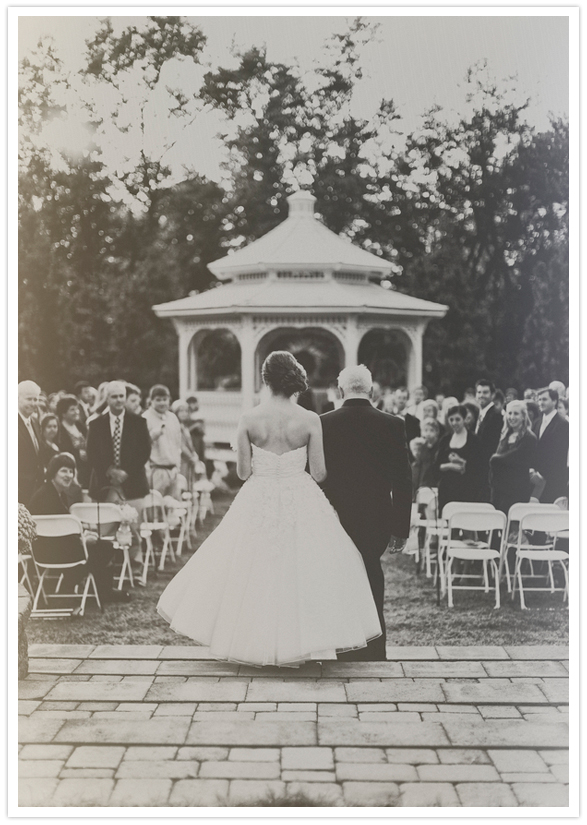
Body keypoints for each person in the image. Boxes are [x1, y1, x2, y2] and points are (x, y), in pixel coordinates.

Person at [157, 352, 381, 667]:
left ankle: (254, 643)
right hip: (299, 496)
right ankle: (304, 643)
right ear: (293, 379)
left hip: (258, 497)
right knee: (306, 570)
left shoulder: (248, 419)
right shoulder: (309, 419)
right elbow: (318, 474)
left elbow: (243, 473)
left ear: (265, 380)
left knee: (249, 567)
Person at [321, 365, 412, 662]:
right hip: (377, 519)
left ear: (340, 391)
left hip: (334, 517)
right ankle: (374, 649)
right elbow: (403, 480)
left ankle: (341, 647)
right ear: (371, 392)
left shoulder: (323, 423)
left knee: (338, 580)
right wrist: (400, 529)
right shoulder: (393, 424)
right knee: (372, 573)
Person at [29, 453, 128, 602]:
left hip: (47, 551)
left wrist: (84, 536)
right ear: (53, 472)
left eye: (71, 471)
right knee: (104, 547)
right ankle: (103, 592)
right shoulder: (46, 496)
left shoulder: (56, 493)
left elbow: (61, 529)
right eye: (64, 470)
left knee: (99, 544)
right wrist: (82, 540)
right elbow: (56, 532)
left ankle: (92, 588)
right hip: (50, 551)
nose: (69, 475)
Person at [86, 381, 151, 506]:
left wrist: (125, 472)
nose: (118, 400)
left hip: (134, 483)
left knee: (134, 524)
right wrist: (109, 471)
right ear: (107, 399)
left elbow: (144, 451)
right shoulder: (96, 425)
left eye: (121, 396)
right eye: (114, 397)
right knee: (106, 524)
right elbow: (92, 453)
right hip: (104, 484)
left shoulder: (139, 423)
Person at [489, 401, 537, 513]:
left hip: (517, 490)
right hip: (499, 489)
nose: (512, 417)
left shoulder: (529, 438)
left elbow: (513, 459)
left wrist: (495, 459)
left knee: (513, 527)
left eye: (516, 414)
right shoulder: (505, 435)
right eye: (509, 413)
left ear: (523, 416)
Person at [435, 404, 483, 512]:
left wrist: (460, 461)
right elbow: (437, 465)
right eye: (451, 420)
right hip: (446, 489)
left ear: (465, 419)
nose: (454, 423)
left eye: (457, 419)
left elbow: (478, 466)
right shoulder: (445, 440)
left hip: (467, 489)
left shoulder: (474, 440)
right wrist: (450, 466)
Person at [143, 385, 182, 498]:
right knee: (156, 507)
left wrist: (177, 466)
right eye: (158, 400)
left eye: (164, 399)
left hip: (173, 470)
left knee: (173, 507)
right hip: (156, 470)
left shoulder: (173, 418)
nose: (162, 403)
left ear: (169, 400)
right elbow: (141, 446)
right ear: (151, 400)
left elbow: (177, 443)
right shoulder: (146, 418)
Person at [532, 387, 569, 503]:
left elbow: (559, 454)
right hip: (534, 479)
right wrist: (532, 471)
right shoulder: (536, 422)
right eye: (539, 400)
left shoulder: (563, 424)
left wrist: (541, 474)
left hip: (553, 480)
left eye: (544, 399)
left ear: (554, 401)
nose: (541, 403)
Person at [474, 379, 504, 500]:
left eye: (485, 392)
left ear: (492, 395)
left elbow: (491, 445)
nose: (481, 395)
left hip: (487, 468)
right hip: (479, 468)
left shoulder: (496, 416)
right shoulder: (479, 414)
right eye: (479, 392)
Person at [18, 380, 44, 506]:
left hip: (35, 489)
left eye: (36, 399)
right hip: (19, 490)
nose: (34, 403)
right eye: (29, 399)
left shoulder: (35, 422)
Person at [56, 395, 89, 488]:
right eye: (72, 410)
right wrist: (78, 453)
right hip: (71, 473)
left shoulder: (80, 425)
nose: (76, 412)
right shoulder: (59, 430)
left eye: (77, 409)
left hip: (86, 471)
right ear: (63, 413)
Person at [171, 399, 200, 487]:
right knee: (181, 483)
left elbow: (189, 444)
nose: (184, 413)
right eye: (181, 411)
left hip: (188, 461)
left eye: (186, 411)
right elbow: (181, 445)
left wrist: (194, 453)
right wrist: (191, 457)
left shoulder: (184, 426)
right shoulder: (175, 426)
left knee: (189, 482)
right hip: (181, 460)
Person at [410, 418, 441, 495]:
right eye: (426, 430)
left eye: (431, 430)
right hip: (422, 478)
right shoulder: (422, 446)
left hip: (434, 479)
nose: (428, 433)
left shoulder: (439, 447)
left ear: (437, 432)